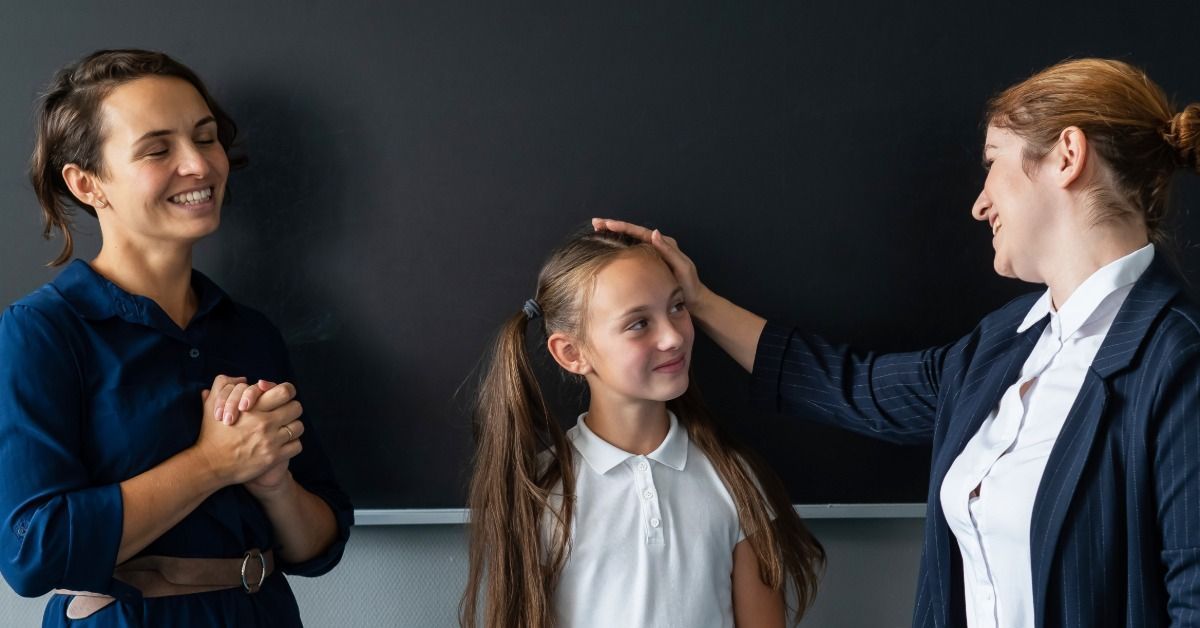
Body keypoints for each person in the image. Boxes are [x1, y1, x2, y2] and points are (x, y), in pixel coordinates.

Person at [597, 57, 1200, 627]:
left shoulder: (1175, 362)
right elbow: (854, 387)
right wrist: (697, 301)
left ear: (1067, 156)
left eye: (993, 161)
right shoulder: (1006, 345)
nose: (979, 203)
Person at [0, 49, 352, 626]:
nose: (200, 164)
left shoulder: (251, 331)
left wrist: (272, 482)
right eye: (158, 149)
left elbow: (318, 548)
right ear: (87, 184)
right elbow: (32, 552)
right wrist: (214, 463)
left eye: (206, 138)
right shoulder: (43, 332)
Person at [460, 229, 825, 628]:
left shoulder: (734, 478)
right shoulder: (541, 492)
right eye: (638, 324)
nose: (673, 337)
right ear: (571, 353)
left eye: (678, 306)